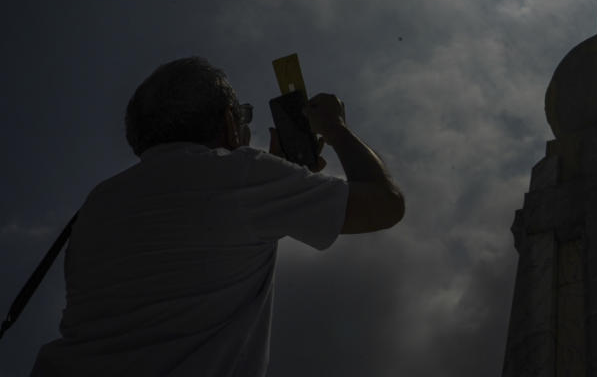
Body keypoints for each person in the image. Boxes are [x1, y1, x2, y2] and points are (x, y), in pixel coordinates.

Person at [31, 57, 404, 376]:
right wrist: (336, 129)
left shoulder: (99, 202)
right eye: (243, 115)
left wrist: (282, 177)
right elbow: (386, 204)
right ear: (229, 121)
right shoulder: (244, 174)